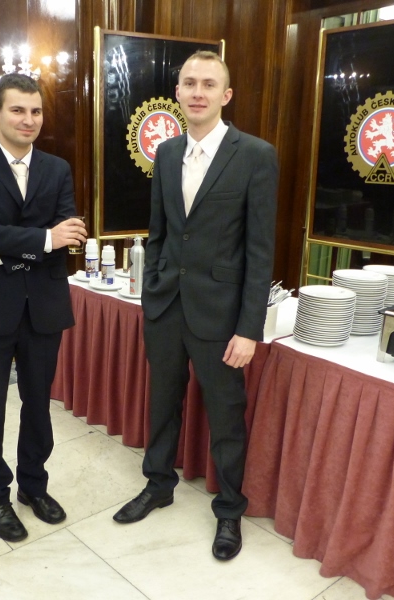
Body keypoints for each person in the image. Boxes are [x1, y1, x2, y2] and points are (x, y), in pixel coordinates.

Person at [112, 51, 278, 562]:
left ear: (226, 95)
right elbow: (159, 231)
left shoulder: (256, 155)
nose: (198, 92)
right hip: (166, 307)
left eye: (208, 84)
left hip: (222, 314)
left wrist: (249, 328)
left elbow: (259, 251)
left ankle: (229, 509)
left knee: (226, 415)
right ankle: (158, 483)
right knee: (162, 402)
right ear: (178, 92)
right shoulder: (166, 153)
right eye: (189, 83)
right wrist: (152, 291)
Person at [0, 73, 86, 543]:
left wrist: (5, 251)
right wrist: (44, 239)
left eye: (36, 111)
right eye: (18, 110)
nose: (29, 120)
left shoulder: (57, 168)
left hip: (44, 304)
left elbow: (70, 236)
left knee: (38, 404)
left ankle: (34, 485)